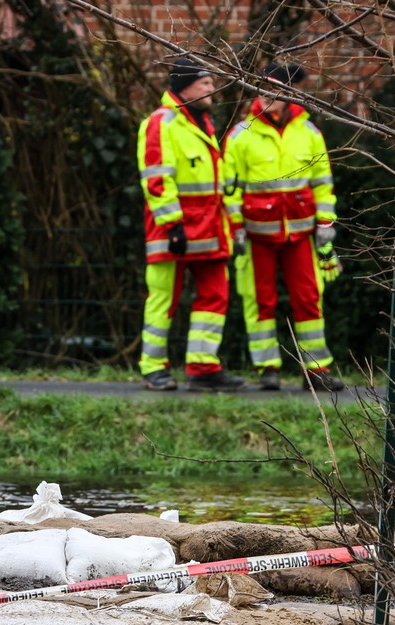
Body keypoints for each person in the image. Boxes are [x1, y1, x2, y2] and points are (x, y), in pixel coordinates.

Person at [223, 62, 345, 392]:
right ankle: (267, 370)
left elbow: (323, 186)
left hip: (301, 234)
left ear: (289, 95)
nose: (265, 97)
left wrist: (326, 225)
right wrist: (236, 227)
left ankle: (316, 370)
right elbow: (230, 188)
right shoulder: (240, 135)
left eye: (273, 91)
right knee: (260, 300)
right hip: (257, 234)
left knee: (308, 298)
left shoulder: (309, 134)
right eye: (261, 90)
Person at [135, 57, 244, 392]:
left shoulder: (202, 123)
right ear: (186, 87)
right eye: (205, 82)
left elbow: (216, 183)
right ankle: (153, 367)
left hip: (209, 230)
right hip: (174, 231)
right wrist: (172, 226)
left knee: (215, 295)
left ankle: (202, 368)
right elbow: (156, 179)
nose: (212, 88)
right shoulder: (161, 123)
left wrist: (231, 224)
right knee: (163, 298)